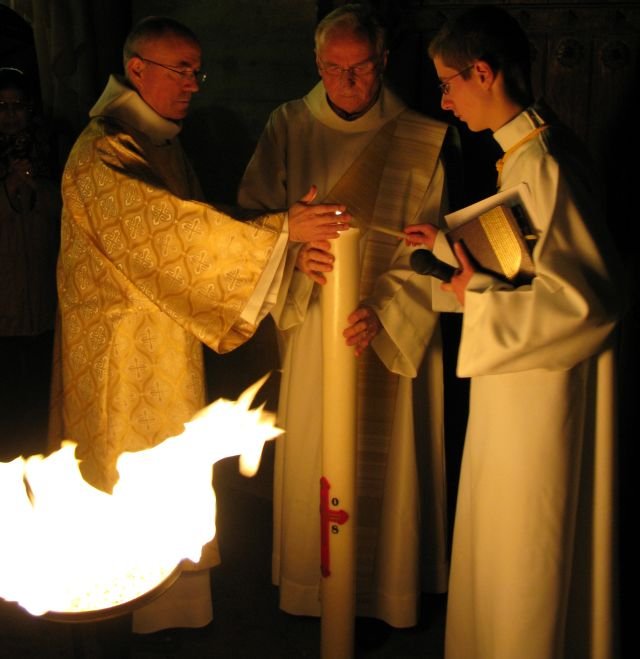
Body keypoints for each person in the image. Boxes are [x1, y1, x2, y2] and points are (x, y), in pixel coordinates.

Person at [46, 15, 349, 637]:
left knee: (167, 465)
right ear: (136, 70)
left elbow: (200, 219)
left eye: (196, 70)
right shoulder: (103, 147)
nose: (192, 84)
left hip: (159, 338)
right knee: (123, 468)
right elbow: (163, 230)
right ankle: (115, 610)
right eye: (179, 69)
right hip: (116, 353)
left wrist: (285, 241)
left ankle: (168, 607)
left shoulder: (157, 139)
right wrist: (280, 231)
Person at [404, 6, 622, 658]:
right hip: (520, 385)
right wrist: (450, 251)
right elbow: (528, 258)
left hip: (542, 401)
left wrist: (479, 295)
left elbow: (589, 301)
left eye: (449, 83)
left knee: (530, 549)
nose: (445, 102)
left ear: (484, 72)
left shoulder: (544, 164)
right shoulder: (528, 153)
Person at [238, 3, 456, 628]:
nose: (348, 83)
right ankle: (315, 588)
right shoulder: (287, 125)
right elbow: (251, 223)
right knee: (317, 449)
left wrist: (386, 310)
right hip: (314, 325)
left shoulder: (423, 135)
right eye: (333, 70)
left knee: (392, 455)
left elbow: (436, 242)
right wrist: (292, 250)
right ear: (317, 63)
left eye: (360, 68)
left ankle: (390, 593)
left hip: (388, 326)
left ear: (383, 62)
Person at [0, 67, 60, 446]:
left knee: (41, 386)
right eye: (1, 106)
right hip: (2, 293)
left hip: (42, 288)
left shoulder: (51, 151)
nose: (10, 115)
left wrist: (36, 186)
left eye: (18, 105)